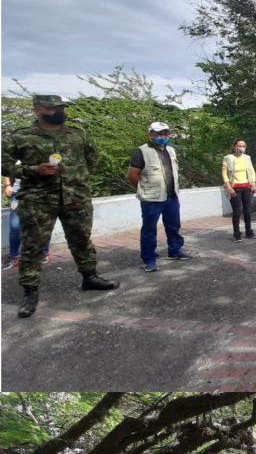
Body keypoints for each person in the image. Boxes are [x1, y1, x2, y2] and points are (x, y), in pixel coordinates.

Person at [4, 95, 121, 317]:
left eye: (61, 107)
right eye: (52, 108)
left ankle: (90, 277)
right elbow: (4, 164)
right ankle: (30, 292)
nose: (59, 111)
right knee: (33, 246)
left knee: (82, 240)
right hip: (38, 200)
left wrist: (76, 177)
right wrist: (33, 170)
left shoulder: (77, 134)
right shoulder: (20, 136)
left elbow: (93, 158)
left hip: (76, 198)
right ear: (38, 110)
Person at [123, 121, 196, 275]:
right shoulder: (141, 152)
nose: (162, 136)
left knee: (173, 225)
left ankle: (175, 250)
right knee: (149, 229)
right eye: (158, 134)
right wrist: (144, 189)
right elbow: (131, 175)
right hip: (151, 198)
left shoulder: (171, 150)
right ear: (150, 135)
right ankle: (149, 259)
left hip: (171, 196)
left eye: (165, 133)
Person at [221, 140, 256, 241]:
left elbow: (252, 171)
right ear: (234, 147)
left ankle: (248, 231)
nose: (241, 147)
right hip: (235, 188)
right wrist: (229, 187)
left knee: (247, 211)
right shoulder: (228, 158)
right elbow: (224, 173)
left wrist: (253, 184)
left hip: (247, 187)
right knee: (237, 212)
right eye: (239, 146)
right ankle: (236, 233)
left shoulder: (247, 158)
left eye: (243, 146)